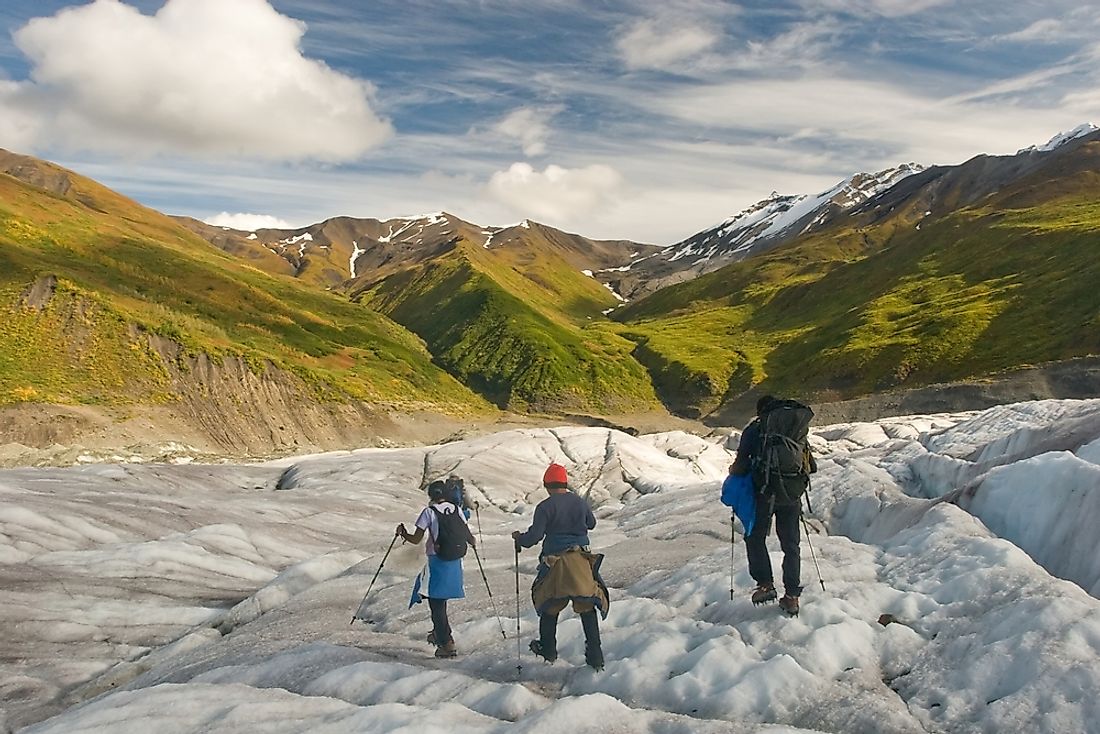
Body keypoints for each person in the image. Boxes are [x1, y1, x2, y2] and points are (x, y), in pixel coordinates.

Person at [512, 463, 609, 670]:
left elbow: (535, 536)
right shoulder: (579, 502)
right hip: (581, 561)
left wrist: (520, 539)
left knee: (550, 605)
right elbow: (591, 524)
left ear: (547, 484)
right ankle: (596, 657)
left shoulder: (545, 507)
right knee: (586, 606)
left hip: (555, 563)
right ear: (565, 482)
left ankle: (548, 651)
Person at [729, 395, 816, 616]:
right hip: (791, 494)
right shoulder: (795, 430)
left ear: (761, 412)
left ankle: (766, 584)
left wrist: (736, 474)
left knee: (755, 537)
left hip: (764, 492)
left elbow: (740, 465)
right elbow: (810, 465)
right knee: (791, 544)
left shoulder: (756, 429)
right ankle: (792, 596)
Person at [397, 479, 476, 658]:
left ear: (431, 495)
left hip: (437, 561)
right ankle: (441, 634)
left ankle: (446, 643)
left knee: (436, 603)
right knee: (441, 602)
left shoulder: (428, 512)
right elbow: (468, 535)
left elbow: (416, 539)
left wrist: (403, 533)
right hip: (455, 561)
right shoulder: (456, 509)